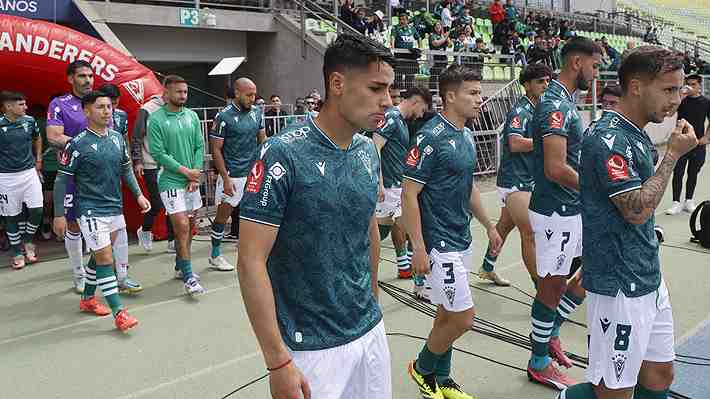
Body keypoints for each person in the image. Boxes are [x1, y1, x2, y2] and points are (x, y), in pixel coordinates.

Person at [238, 33, 394, 399]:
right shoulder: (281, 154)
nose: (387, 101)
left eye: (389, 90)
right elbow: (250, 261)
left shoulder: (366, 151)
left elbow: (367, 228)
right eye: (376, 88)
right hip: (310, 347)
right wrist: (277, 361)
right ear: (337, 84)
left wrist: (371, 300)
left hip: (369, 330)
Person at [561, 46, 709, 399]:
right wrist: (673, 154)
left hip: (645, 275)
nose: (677, 99)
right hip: (619, 286)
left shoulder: (636, 131)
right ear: (637, 86)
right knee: (614, 389)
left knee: (659, 374)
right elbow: (636, 210)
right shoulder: (608, 138)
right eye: (669, 89)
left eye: (680, 89)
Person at [403, 63, 502, 399]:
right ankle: (421, 367)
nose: (480, 100)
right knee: (463, 318)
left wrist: (489, 225)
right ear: (449, 96)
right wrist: (418, 246)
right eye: (473, 93)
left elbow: (468, 186)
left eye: (480, 93)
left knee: (446, 314)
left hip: (462, 237)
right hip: (438, 243)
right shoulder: (430, 138)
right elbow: (409, 193)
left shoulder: (466, 134)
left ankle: (442, 381)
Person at [526, 37, 602, 390]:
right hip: (555, 210)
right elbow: (556, 167)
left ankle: (551, 332)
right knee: (552, 286)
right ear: (576, 62)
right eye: (595, 65)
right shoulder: (555, 105)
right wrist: (595, 189)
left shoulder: (567, 102)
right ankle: (538, 361)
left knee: (591, 271)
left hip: (571, 208)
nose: (596, 72)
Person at [52, 91, 150, 331]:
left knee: (98, 256)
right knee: (106, 258)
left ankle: (87, 299)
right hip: (89, 210)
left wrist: (138, 195)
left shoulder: (117, 138)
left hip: (114, 208)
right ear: (87, 111)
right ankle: (119, 312)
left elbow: (126, 170)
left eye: (109, 107)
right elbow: (61, 181)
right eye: (100, 107)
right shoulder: (77, 144)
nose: (107, 111)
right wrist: (58, 214)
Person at [47, 60, 140, 294]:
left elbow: (120, 142)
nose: (88, 80)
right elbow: (53, 136)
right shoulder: (60, 104)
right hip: (74, 177)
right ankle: (79, 275)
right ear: (70, 78)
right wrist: (86, 147)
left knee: (116, 226)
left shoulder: (109, 108)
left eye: (90, 75)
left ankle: (122, 274)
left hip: (104, 177)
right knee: (74, 225)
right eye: (82, 76)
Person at [480, 63, 553, 287]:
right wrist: (545, 143)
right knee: (529, 232)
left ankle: (487, 267)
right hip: (515, 180)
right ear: (527, 85)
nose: (545, 85)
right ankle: (540, 288)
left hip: (528, 179)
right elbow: (515, 143)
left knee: (504, 226)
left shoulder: (541, 108)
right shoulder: (520, 111)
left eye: (548, 81)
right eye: (540, 81)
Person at [148, 75, 206, 296]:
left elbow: (199, 146)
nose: (183, 96)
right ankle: (190, 277)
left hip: (191, 182)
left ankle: (181, 266)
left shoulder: (191, 116)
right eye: (178, 92)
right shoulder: (156, 120)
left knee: (190, 227)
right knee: (181, 226)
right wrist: (184, 171)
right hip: (170, 181)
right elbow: (158, 153)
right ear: (166, 93)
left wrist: (194, 176)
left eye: (185, 92)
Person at [209, 78, 266, 271]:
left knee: (253, 215)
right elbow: (216, 150)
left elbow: (263, 141)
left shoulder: (258, 113)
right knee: (223, 216)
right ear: (237, 93)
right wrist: (225, 178)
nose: (253, 98)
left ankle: (250, 252)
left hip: (253, 174)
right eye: (249, 95)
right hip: (232, 175)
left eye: (254, 94)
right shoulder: (223, 117)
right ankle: (215, 255)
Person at [374, 86, 431, 279]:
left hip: (397, 184)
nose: (421, 114)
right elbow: (375, 145)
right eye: (422, 109)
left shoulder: (401, 122)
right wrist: (379, 181)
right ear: (416, 101)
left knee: (407, 226)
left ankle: (413, 274)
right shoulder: (391, 118)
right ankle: (359, 268)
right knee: (377, 234)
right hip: (388, 185)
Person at [0, 92, 43, 269]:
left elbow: (38, 137)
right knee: (11, 216)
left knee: (37, 210)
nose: (25, 107)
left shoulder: (30, 121)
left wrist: (38, 158)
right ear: (8, 107)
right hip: (6, 177)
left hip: (29, 173)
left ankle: (28, 241)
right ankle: (17, 252)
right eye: (21, 104)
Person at [132, 94, 176, 253]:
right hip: (151, 163)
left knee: (172, 202)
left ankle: (172, 241)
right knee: (158, 204)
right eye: (177, 92)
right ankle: (145, 229)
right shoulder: (147, 109)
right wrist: (137, 160)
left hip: (171, 163)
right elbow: (137, 136)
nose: (180, 95)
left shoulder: (177, 109)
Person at [666, 73, 710, 215]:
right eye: (688, 84)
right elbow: (670, 113)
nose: (690, 87)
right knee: (678, 172)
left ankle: (689, 200)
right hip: (680, 142)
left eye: (693, 84)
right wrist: (680, 98)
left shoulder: (706, 102)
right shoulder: (681, 101)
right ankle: (676, 202)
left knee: (693, 173)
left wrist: (706, 138)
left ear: (699, 87)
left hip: (697, 143)